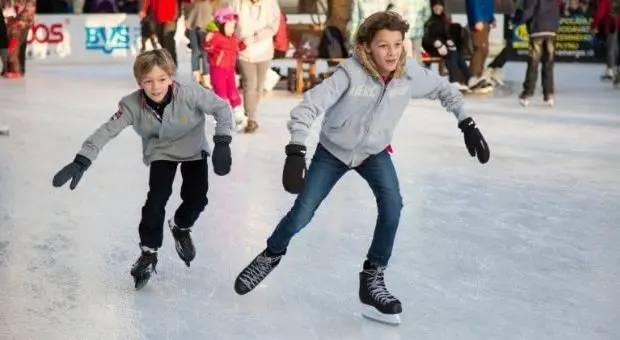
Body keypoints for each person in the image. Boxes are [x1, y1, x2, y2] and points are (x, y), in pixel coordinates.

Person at [233, 11, 490, 326]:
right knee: (302, 213)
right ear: (367, 47)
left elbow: (445, 90)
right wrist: (297, 149)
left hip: (374, 152)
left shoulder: (408, 73)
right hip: (333, 152)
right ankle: (270, 254)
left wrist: (467, 123)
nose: (392, 52)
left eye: (397, 44)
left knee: (393, 207)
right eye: (383, 45)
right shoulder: (349, 73)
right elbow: (308, 107)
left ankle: (373, 278)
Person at [51, 49, 234, 290]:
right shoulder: (131, 105)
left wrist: (222, 140)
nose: (156, 87)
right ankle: (148, 252)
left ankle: (180, 226)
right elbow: (107, 130)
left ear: (171, 78)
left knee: (197, 198)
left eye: (161, 79)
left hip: (193, 149)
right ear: (139, 82)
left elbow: (222, 108)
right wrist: (83, 159)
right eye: (148, 81)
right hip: (160, 151)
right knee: (156, 201)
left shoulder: (190, 92)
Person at [229, 0, 280, 133]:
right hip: (243, 51)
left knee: (259, 86)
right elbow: (228, 20)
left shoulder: (271, 4)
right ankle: (250, 118)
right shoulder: (237, 3)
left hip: (264, 50)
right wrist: (232, 34)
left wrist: (255, 38)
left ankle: (252, 113)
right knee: (249, 83)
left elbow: (273, 27)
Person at [422, 0, 489, 93]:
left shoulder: (443, 19)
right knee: (452, 53)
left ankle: (470, 79)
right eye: (436, 6)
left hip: (442, 46)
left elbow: (445, 34)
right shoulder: (429, 19)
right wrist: (437, 44)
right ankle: (454, 80)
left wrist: (449, 41)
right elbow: (427, 37)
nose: (438, 8)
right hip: (430, 47)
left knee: (457, 52)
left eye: (440, 6)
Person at [205, 7, 247, 131]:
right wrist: (208, 39)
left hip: (229, 69)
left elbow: (236, 49)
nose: (231, 29)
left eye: (233, 27)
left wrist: (243, 45)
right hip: (218, 70)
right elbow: (208, 48)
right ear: (222, 25)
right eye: (229, 27)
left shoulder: (233, 37)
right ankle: (221, 120)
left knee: (234, 93)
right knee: (221, 95)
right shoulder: (216, 36)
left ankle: (239, 117)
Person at [515, 0, 561, 107]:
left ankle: (527, 94)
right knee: (548, 63)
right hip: (551, 31)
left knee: (533, 63)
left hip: (537, 30)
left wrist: (518, 18)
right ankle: (549, 93)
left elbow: (528, 12)